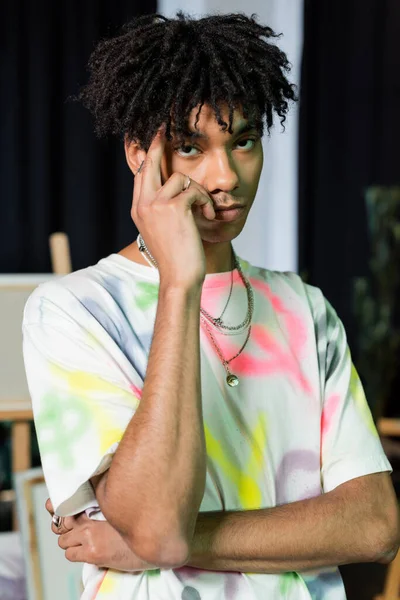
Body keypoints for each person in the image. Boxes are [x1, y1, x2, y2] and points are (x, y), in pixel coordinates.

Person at [22, 11, 399, 600]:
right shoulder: (74, 310)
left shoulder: (303, 307)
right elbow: (157, 525)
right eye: (191, 148)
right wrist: (179, 285)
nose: (226, 176)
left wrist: (168, 542)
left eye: (244, 141)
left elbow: (374, 525)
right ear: (139, 156)